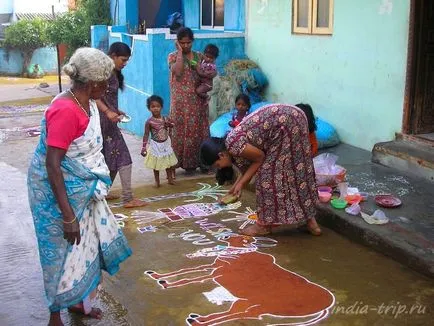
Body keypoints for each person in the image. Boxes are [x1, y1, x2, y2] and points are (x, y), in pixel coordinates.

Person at [27, 47, 132, 326]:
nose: (108, 86)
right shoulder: (65, 109)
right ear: (93, 83)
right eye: (106, 82)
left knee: (83, 244)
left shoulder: (87, 101)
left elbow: (88, 138)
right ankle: (54, 314)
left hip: (79, 189)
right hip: (55, 191)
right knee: (59, 250)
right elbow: (53, 165)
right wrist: (68, 215)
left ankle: (77, 303)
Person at [200, 103, 322, 237]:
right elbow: (248, 170)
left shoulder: (232, 144)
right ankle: (311, 222)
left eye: (217, 165)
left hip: (284, 124)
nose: (220, 168)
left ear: (221, 155)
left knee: (266, 178)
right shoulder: (232, 145)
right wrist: (235, 188)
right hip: (295, 116)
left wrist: (240, 184)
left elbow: (259, 158)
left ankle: (263, 226)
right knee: (296, 171)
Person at [96, 42, 147, 208]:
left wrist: (116, 110)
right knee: (123, 158)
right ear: (113, 56)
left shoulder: (112, 72)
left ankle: (101, 193)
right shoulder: (102, 73)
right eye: (123, 60)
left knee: (112, 159)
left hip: (108, 122)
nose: (124, 63)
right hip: (103, 122)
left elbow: (105, 97)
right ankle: (127, 199)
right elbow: (94, 97)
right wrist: (107, 112)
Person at [169, 27, 210, 174]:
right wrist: (180, 53)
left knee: (198, 132)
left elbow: (209, 74)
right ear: (177, 43)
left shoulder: (200, 57)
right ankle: (180, 163)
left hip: (197, 101)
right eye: (182, 43)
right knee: (180, 131)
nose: (186, 46)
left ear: (193, 41)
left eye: (188, 43)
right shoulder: (173, 56)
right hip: (180, 103)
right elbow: (178, 72)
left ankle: (201, 163)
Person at [141, 95, 178, 187]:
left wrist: (169, 124)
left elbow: (173, 124)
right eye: (153, 107)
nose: (156, 109)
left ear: (161, 107)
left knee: (168, 163)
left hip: (165, 144)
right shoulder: (149, 122)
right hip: (155, 145)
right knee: (156, 164)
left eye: (158, 106)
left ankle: (170, 179)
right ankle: (157, 182)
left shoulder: (165, 118)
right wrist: (143, 147)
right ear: (149, 108)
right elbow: (146, 134)